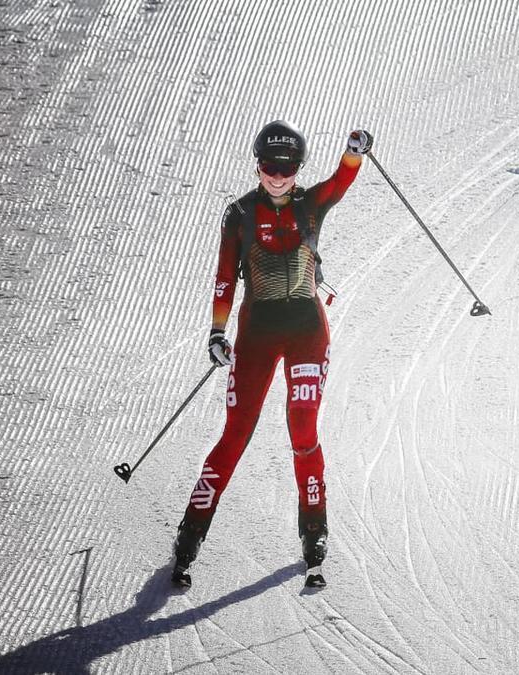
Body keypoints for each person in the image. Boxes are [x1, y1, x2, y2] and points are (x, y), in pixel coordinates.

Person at [172, 120, 373, 589]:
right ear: (257, 165)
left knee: (303, 429)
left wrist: (354, 151)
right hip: (258, 333)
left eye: (286, 168)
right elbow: (225, 278)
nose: (277, 176)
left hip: (306, 329)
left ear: (298, 169)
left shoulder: (310, 203)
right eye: (268, 167)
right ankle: (190, 534)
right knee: (235, 435)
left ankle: (314, 531)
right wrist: (216, 332)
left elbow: (341, 181)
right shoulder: (239, 215)